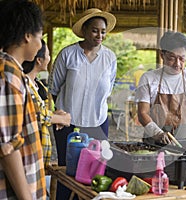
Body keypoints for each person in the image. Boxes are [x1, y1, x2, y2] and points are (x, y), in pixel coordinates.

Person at [48, 8, 117, 199]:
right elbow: (53, 89)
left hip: (98, 122)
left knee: (94, 173)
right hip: (67, 124)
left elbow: (108, 88)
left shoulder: (110, 58)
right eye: (95, 30)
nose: (99, 35)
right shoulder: (68, 54)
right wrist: (61, 115)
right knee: (66, 170)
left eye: (103, 31)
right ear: (85, 30)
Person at [0, 0, 47, 199]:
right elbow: (8, 148)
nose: (40, 45)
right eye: (40, 37)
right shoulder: (9, 75)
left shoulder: (15, 73)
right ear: (27, 36)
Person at [22, 39, 71, 167]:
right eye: (48, 55)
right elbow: (34, 113)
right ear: (39, 60)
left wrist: (55, 116)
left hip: (39, 153)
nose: (49, 58)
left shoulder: (38, 85)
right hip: (27, 153)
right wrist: (61, 118)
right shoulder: (24, 84)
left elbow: (39, 111)